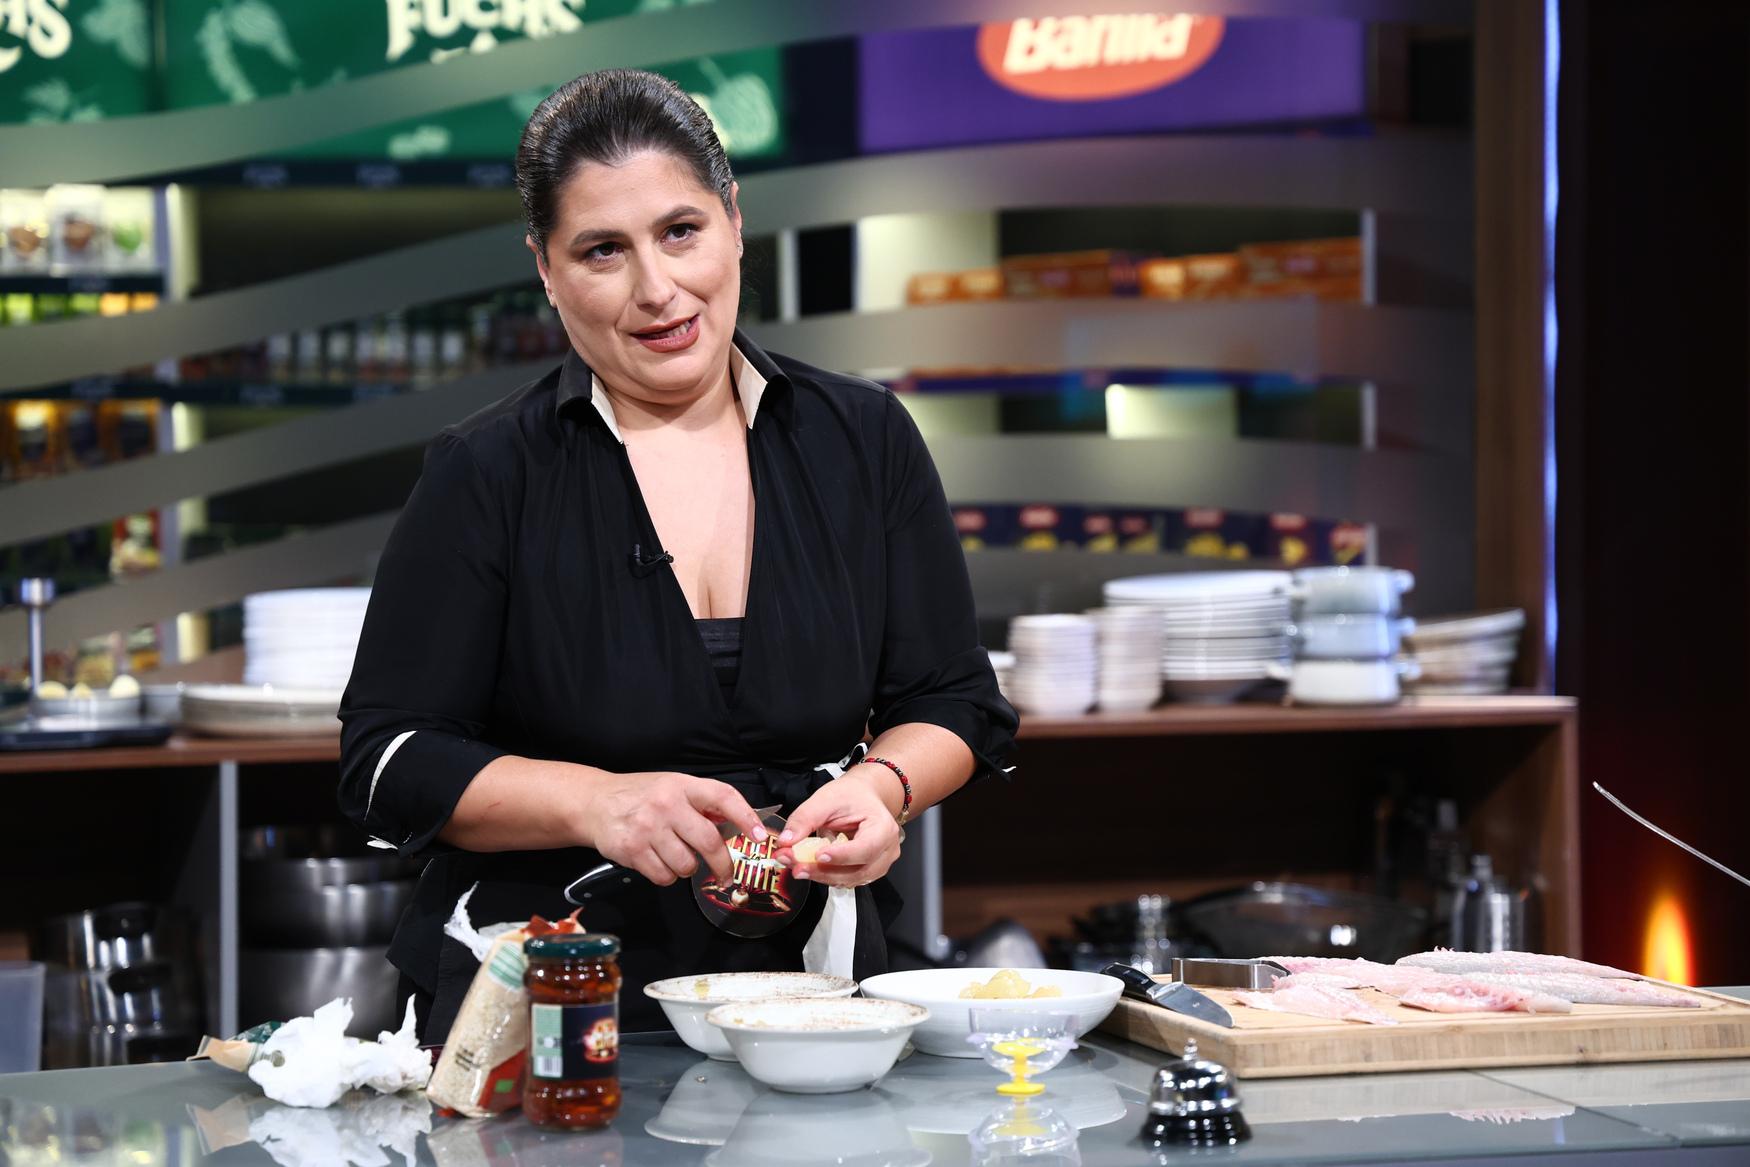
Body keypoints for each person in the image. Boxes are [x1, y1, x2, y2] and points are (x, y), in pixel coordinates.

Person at [339, 69, 1017, 1042]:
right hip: (550, 1010)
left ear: (734, 221)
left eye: (680, 231)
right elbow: (387, 761)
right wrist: (596, 804)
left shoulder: (862, 438)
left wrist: (880, 788)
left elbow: (953, 701)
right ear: (546, 269)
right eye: (602, 251)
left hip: (814, 1009)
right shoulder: (486, 473)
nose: (657, 290)